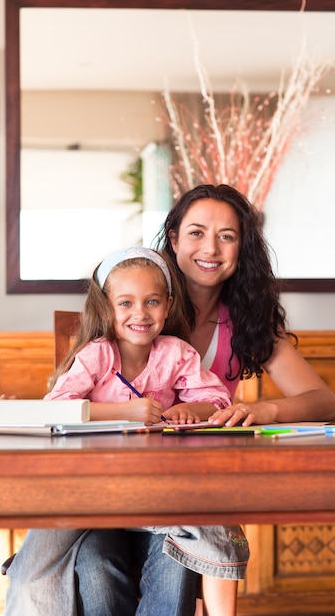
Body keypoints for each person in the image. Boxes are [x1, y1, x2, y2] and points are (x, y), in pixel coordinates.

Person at [74, 183, 335, 616]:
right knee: (102, 562)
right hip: (115, 481)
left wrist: (262, 408)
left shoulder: (246, 322)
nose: (210, 248)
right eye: (196, 232)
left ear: (241, 246)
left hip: (192, 487)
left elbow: (323, 400)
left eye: (227, 236)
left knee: (188, 545)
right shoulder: (138, 308)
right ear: (173, 239)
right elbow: (75, 386)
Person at [3, 245, 249, 616]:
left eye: (151, 302)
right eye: (126, 303)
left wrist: (187, 408)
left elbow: (216, 401)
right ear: (107, 306)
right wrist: (124, 411)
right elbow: (56, 407)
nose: (140, 313)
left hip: (157, 490)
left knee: (198, 529)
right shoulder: (97, 355)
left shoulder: (176, 354)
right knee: (95, 564)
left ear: (167, 305)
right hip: (94, 490)